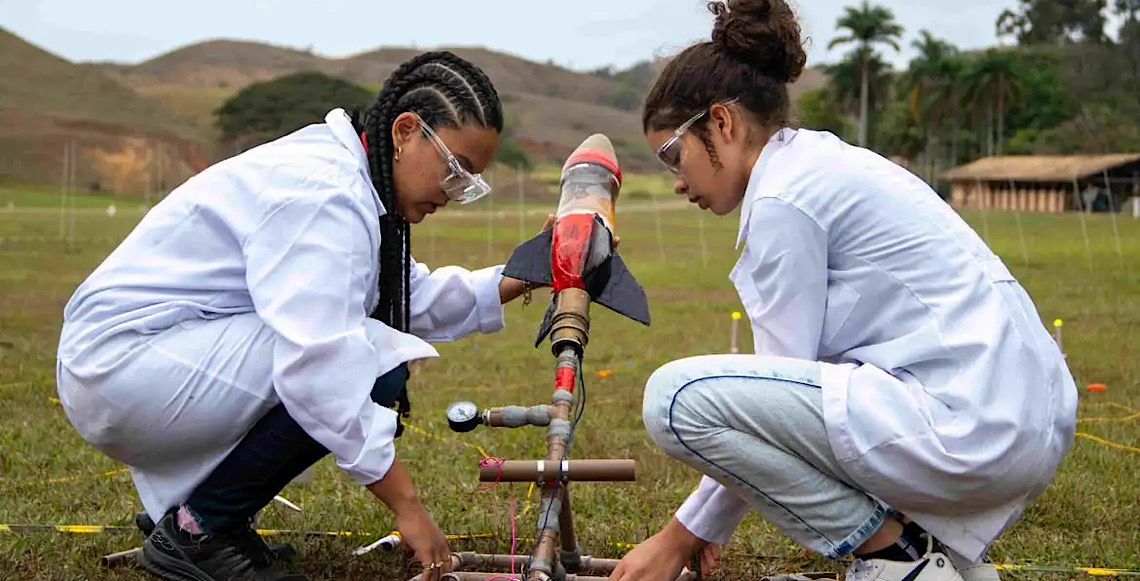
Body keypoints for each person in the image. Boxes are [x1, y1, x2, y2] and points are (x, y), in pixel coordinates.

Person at [609, 2, 1078, 581]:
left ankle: (894, 556)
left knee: (675, 400)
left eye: (672, 155)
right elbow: (791, 396)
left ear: (722, 122)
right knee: (806, 392)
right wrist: (703, 525)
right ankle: (945, 561)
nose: (678, 182)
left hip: (972, 424)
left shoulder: (784, 197)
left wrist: (678, 539)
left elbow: (774, 392)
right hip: (1022, 419)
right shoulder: (822, 164)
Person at [56, 51, 539, 581]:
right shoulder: (326, 194)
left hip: (152, 358)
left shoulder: (354, 182)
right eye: (455, 170)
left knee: (367, 350)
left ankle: (213, 516)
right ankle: (199, 531)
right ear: (405, 132)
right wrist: (408, 507)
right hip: (123, 368)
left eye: (470, 182)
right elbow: (318, 366)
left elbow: (410, 297)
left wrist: (532, 273)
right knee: (365, 362)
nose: (455, 193)